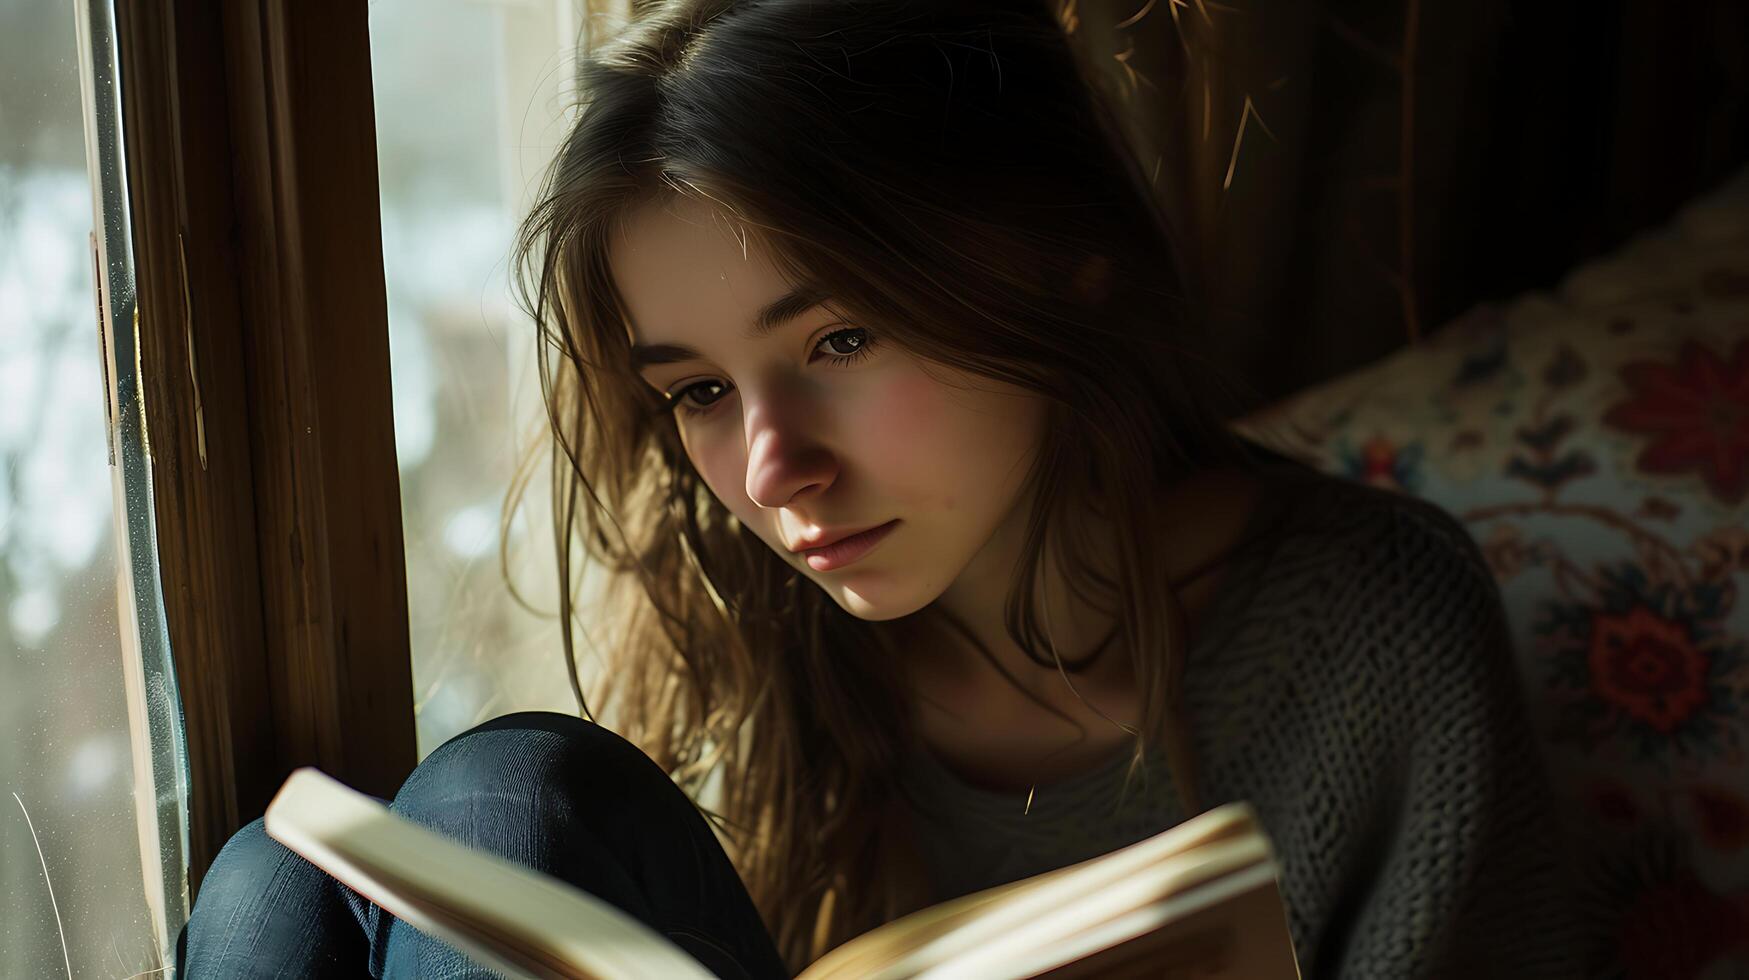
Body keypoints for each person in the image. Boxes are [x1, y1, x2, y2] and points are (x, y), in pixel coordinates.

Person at [177, 0, 1582, 976]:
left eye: (840, 340)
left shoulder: (1372, 635)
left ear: (1059, 264)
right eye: (700, 393)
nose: (774, 467)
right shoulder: (753, 644)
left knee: (509, 796)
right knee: (279, 880)